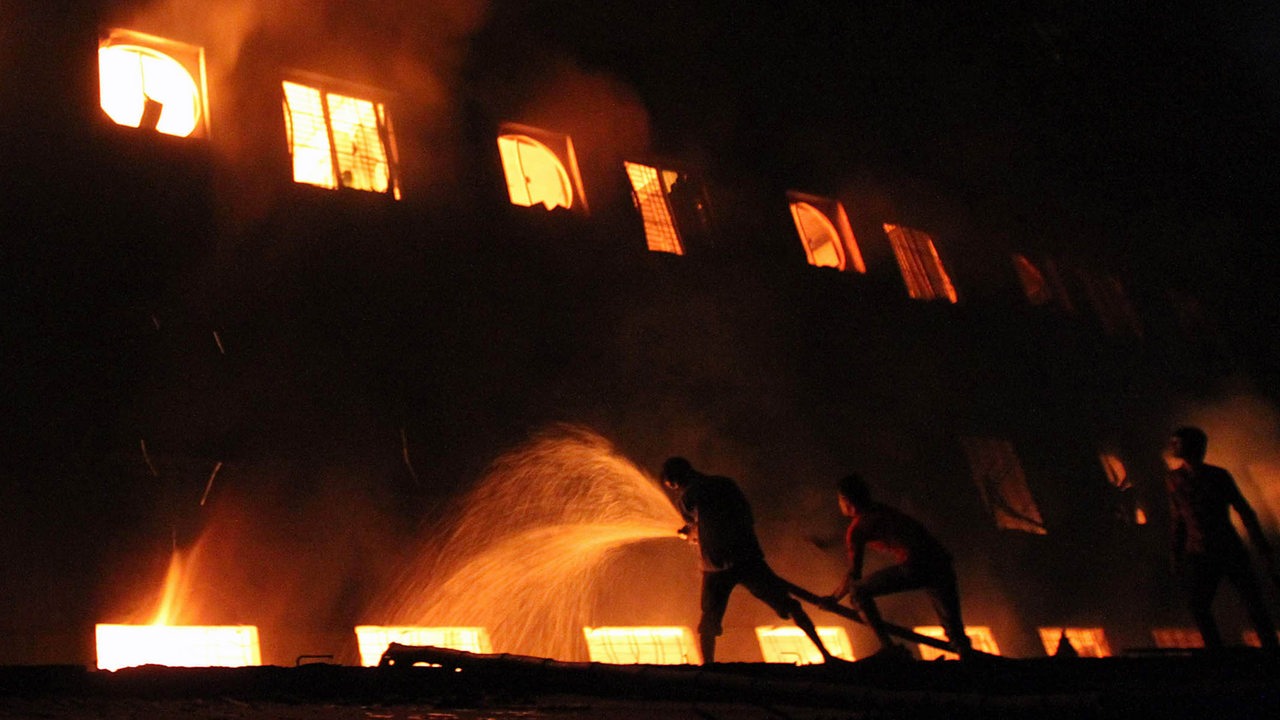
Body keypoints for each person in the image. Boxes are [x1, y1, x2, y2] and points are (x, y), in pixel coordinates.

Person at [661, 456, 840, 664]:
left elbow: (697, 530)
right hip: (747, 557)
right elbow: (745, 516)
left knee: (709, 620)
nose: (675, 489)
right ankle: (827, 655)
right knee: (790, 606)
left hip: (715, 565)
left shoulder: (687, 497)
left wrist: (688, 534)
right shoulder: (725, 484)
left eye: (673, 486)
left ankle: (707, 667)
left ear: (676, 480)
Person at [824, 473, 974, 660]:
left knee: (857, 592)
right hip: (941, 563)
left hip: (917, 565)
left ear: (846, 501)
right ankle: (968, 658)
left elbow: (855, 573)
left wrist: (833, 598)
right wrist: (830, 542)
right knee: (954, 629)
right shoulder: (881, 511)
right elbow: (877, 531)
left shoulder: (858, 528)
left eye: (839, 500)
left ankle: (889, 648)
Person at [1164, 426, 1279, 650]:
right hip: (1199, 550)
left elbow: (1244, 510)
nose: (1173, 447)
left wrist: (1262, 548)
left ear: (1192, 447)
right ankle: (1217, 652)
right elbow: (1178, 518)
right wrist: (1176, 552)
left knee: (1253, 603)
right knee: (1199, 605)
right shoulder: (1174, 478)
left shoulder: (1217, 476)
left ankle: (1270, 651)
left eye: (1177, 443)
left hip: (1227, 548)